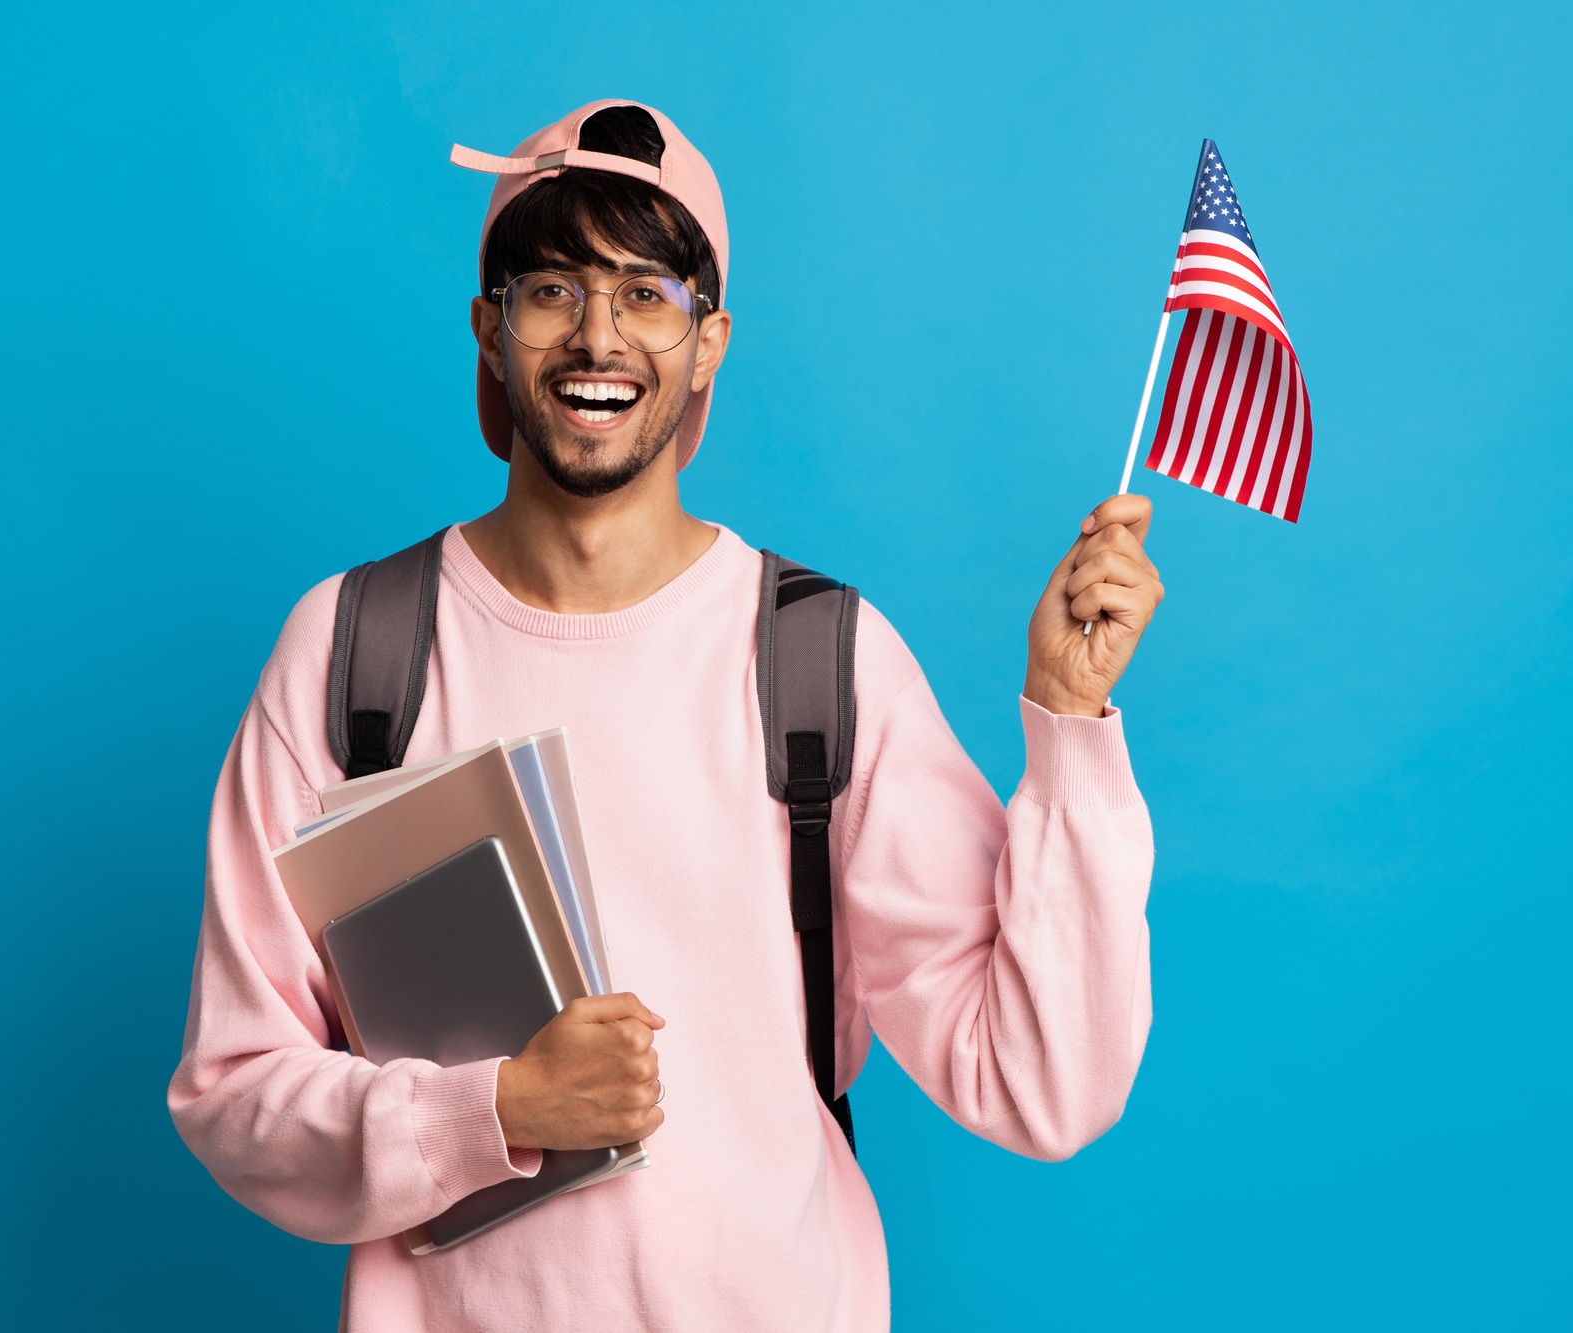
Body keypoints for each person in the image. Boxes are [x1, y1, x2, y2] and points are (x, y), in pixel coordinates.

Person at [169, 100, 1163, 1332]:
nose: (598, 335)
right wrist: (496, 1110)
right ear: (488, 331)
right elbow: (232, 1094)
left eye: (648, 294)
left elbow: (1042, 1083)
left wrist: (1068, 726)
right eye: (550, 289)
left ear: (709, 343)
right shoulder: (354, 649)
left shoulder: (818, 658)